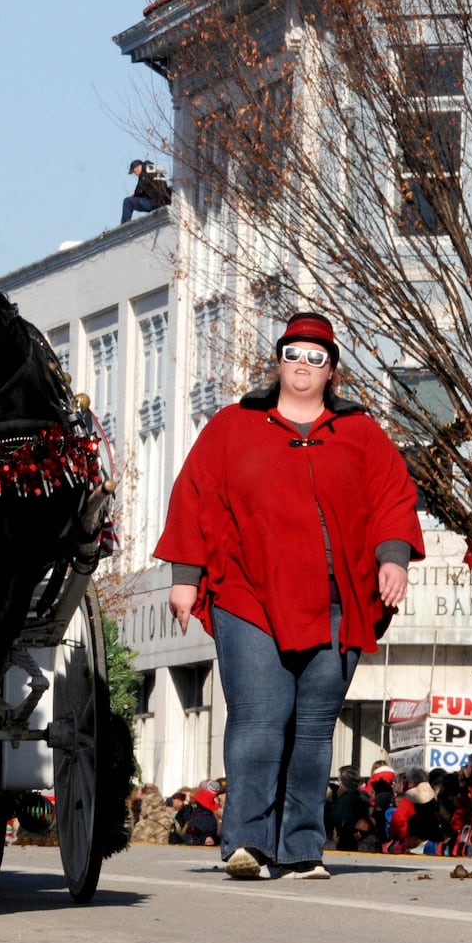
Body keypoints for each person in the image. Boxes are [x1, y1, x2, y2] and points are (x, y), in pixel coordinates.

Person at [154, 311, 425, 881]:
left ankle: (302, 847)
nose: (303, 366)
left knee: (312, 728)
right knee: (258, 720)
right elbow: (196, 494)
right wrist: (185, 575)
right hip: (249, 596)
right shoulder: (233, 426)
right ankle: (247, 844)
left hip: (336, 603)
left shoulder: (361, 433)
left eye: (316, 358)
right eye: (294, 354)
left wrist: (392, 558)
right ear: (278, 361)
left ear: (331, 372)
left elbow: (393, 497)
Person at [120, 158, 171, 224]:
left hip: (154, 201)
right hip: (160, 199)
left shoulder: (146, 171)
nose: (135, 174)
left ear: (138, 167)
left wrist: (135, 195)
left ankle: (124, 225)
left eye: (134, 171)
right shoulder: (152, 168)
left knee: (128, 201)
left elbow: (140, 188)